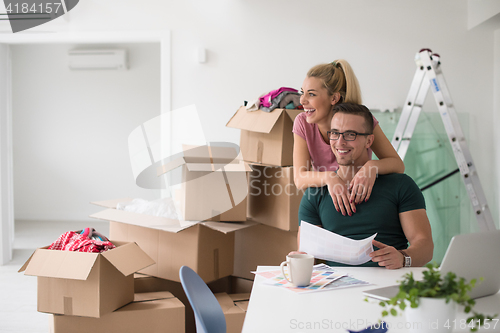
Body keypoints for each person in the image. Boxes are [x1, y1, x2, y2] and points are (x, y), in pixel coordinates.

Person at [295, 103, 433, 269]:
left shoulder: (401, 185)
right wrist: (297, 260)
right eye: (335, 133)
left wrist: (403, 258)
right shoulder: (315, 194)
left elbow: (424, 246)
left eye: (350, 135)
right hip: (338, 288)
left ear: (369, 140)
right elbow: (306, 255)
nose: (340, 142)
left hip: (391, 283)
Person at [293, 60, 404, 217]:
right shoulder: (302, 123)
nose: (302, 101)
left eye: (311, 94)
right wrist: (330, 177)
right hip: (328, 200)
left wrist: (371, 167)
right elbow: (299, 178)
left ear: (334, 98)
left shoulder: (362, 120)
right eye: (302, 92)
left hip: (361, 197)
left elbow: (397, 164)